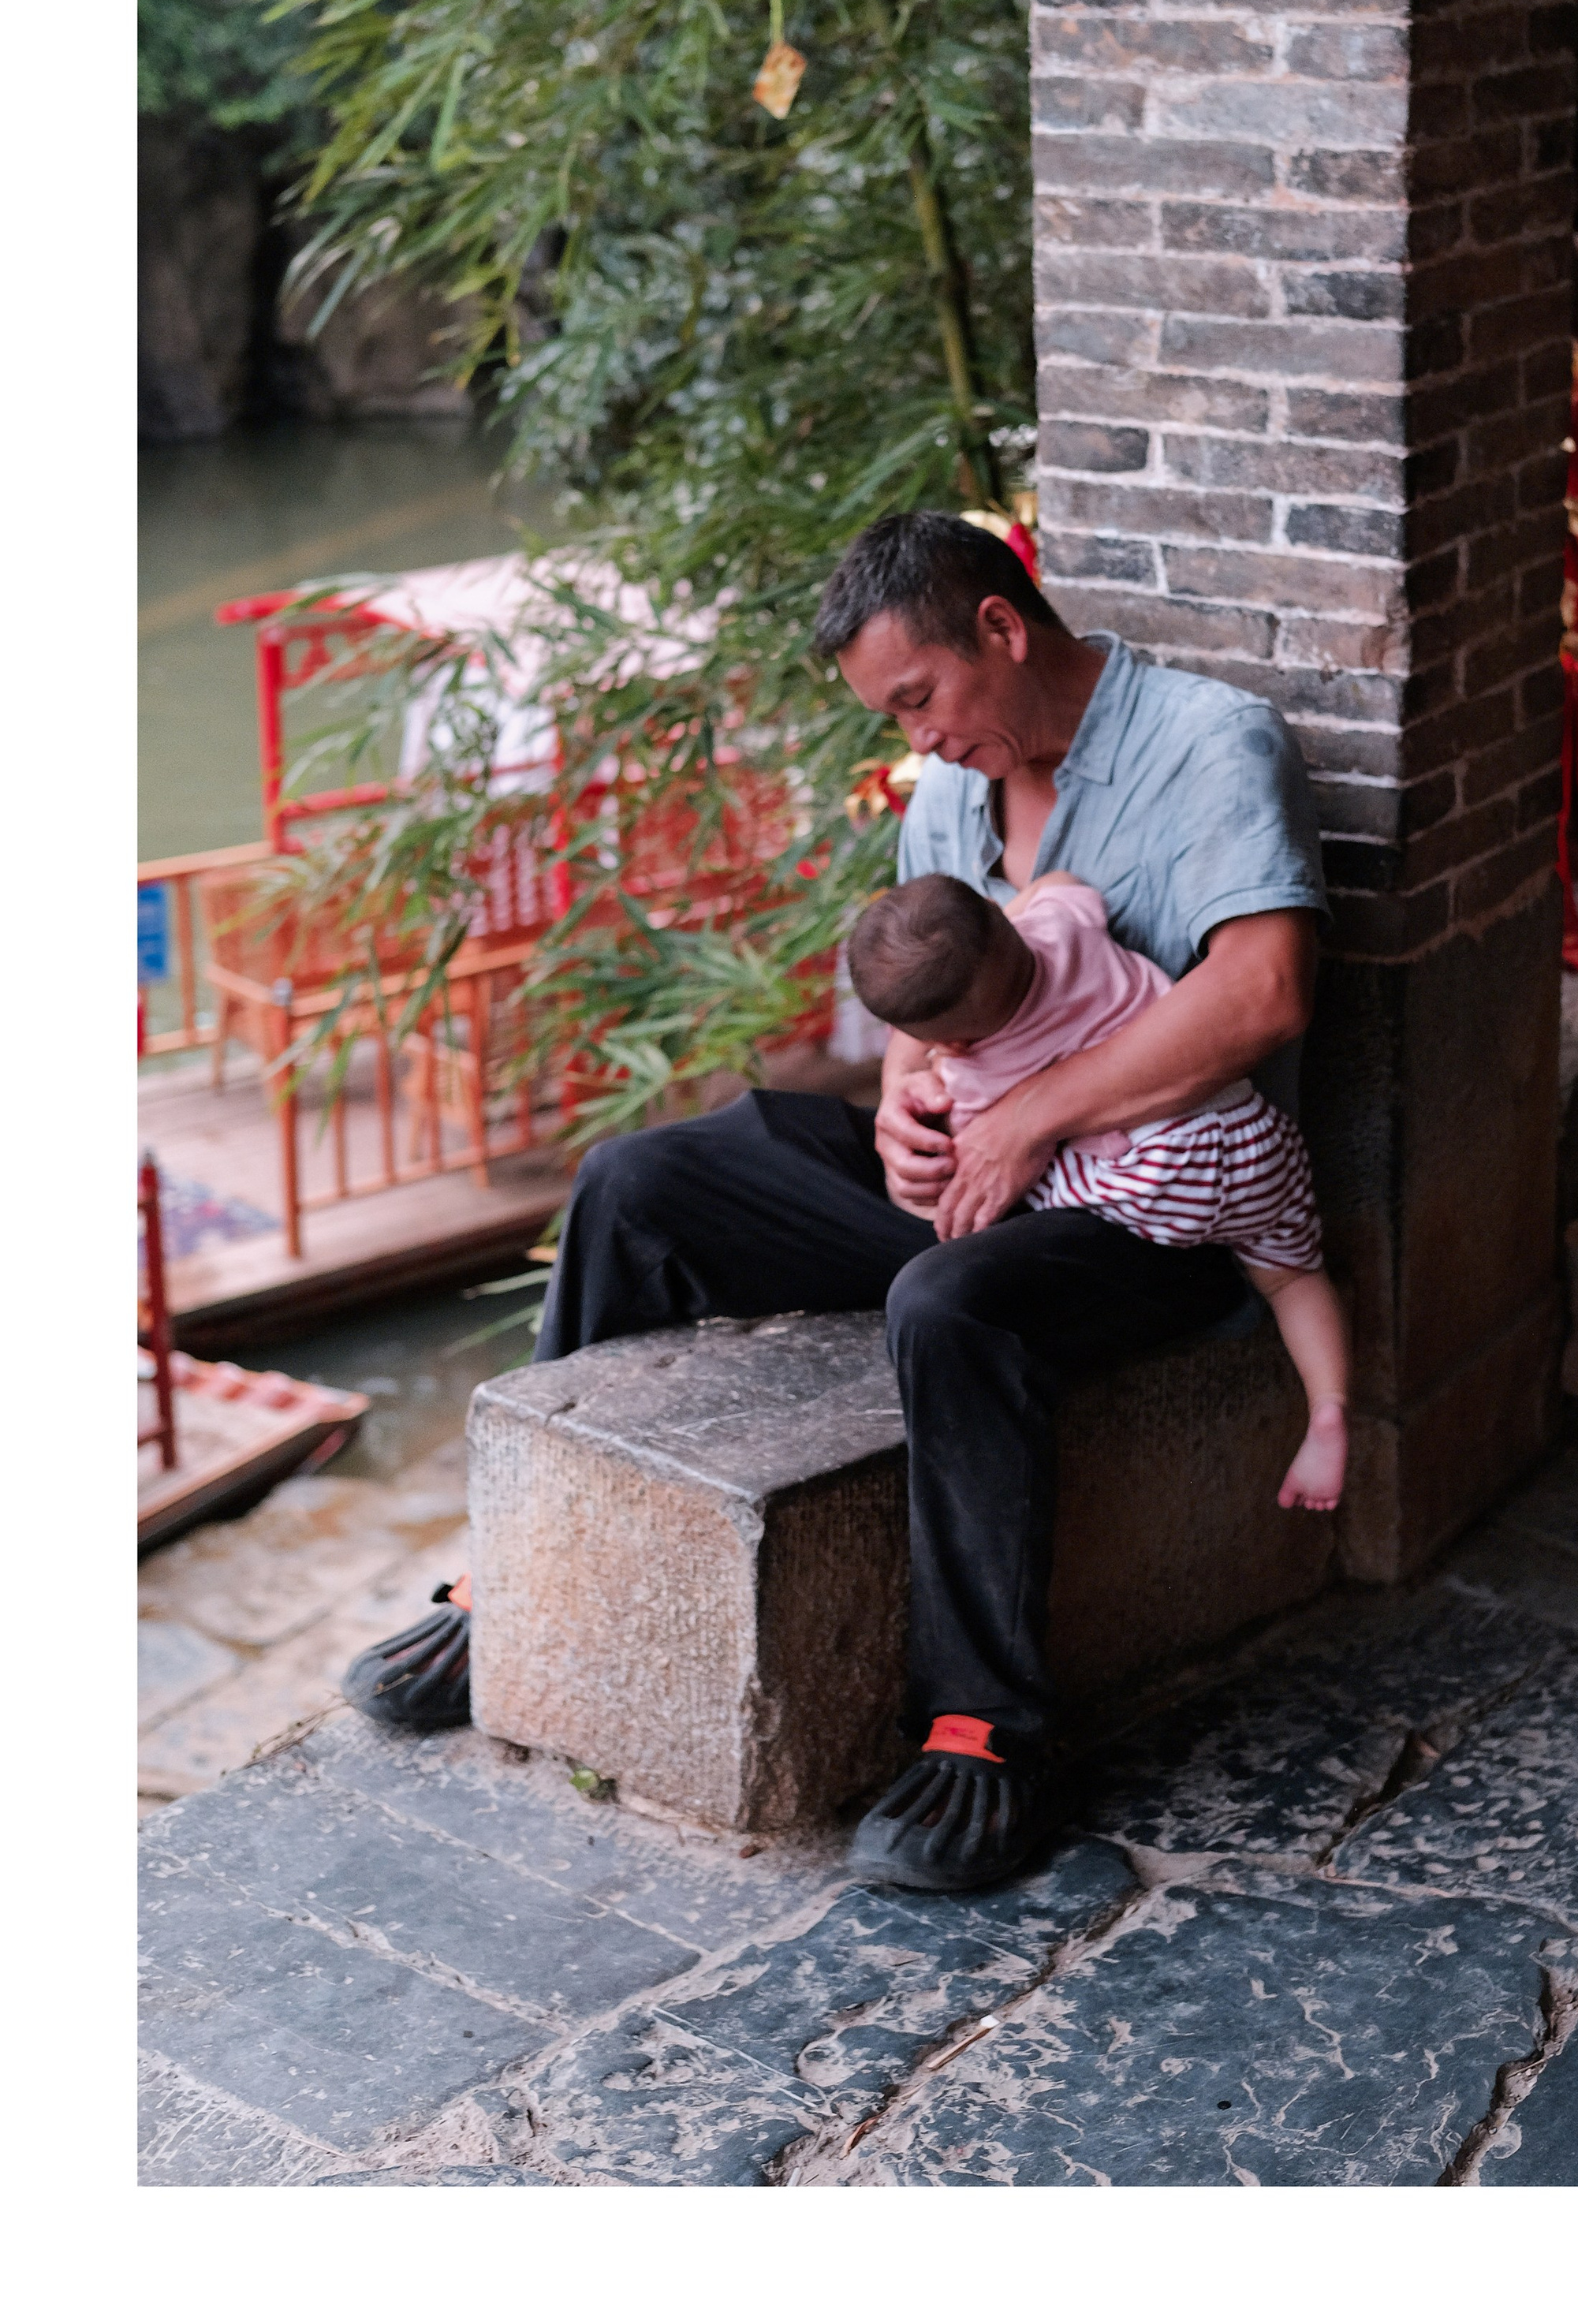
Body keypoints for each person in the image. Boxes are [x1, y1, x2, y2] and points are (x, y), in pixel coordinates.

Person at [343, 509, 1332, 1894]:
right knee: (637, 1181)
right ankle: (519, 1572)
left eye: (920, 699)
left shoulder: (1209, 742)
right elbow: (923, 1014)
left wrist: (1033, 1118)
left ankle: (988, 1730)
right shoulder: (950, 796)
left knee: (949, 1298)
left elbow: (1265, 990)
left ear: (1001, 627)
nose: (918, 739)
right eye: (894, 717)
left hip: (1155, 1209)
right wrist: (907, 1119)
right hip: (988, 1180)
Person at [845, 868, 1349, 1513]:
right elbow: (1058, 881)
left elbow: (964, 1178)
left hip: (1150, 1181)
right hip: (1250, 1135)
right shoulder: (1066, 922)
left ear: (950, 1040)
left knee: (1024, 1183)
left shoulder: (971, 1072)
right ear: (1000, 915)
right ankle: (1329, 1407)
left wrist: (925, 1101)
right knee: (1294, 1277)